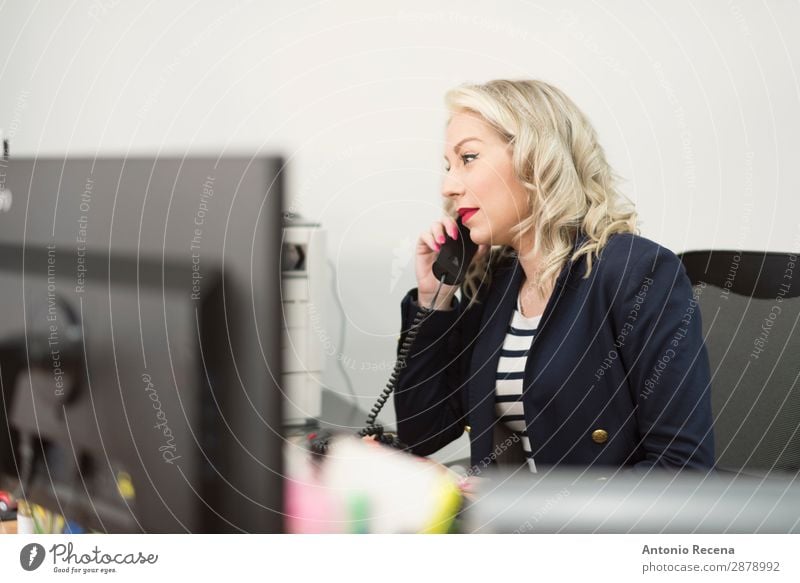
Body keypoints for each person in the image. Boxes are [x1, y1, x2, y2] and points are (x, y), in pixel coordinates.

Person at [394, 79, 715, 474]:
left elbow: (683, 468)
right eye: (447, 166)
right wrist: (434, 298)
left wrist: (537, 508)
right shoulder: (497, 282)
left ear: (535, 159)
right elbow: (422, 432)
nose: (448, 186)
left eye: (469, 158)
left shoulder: (637, 272)